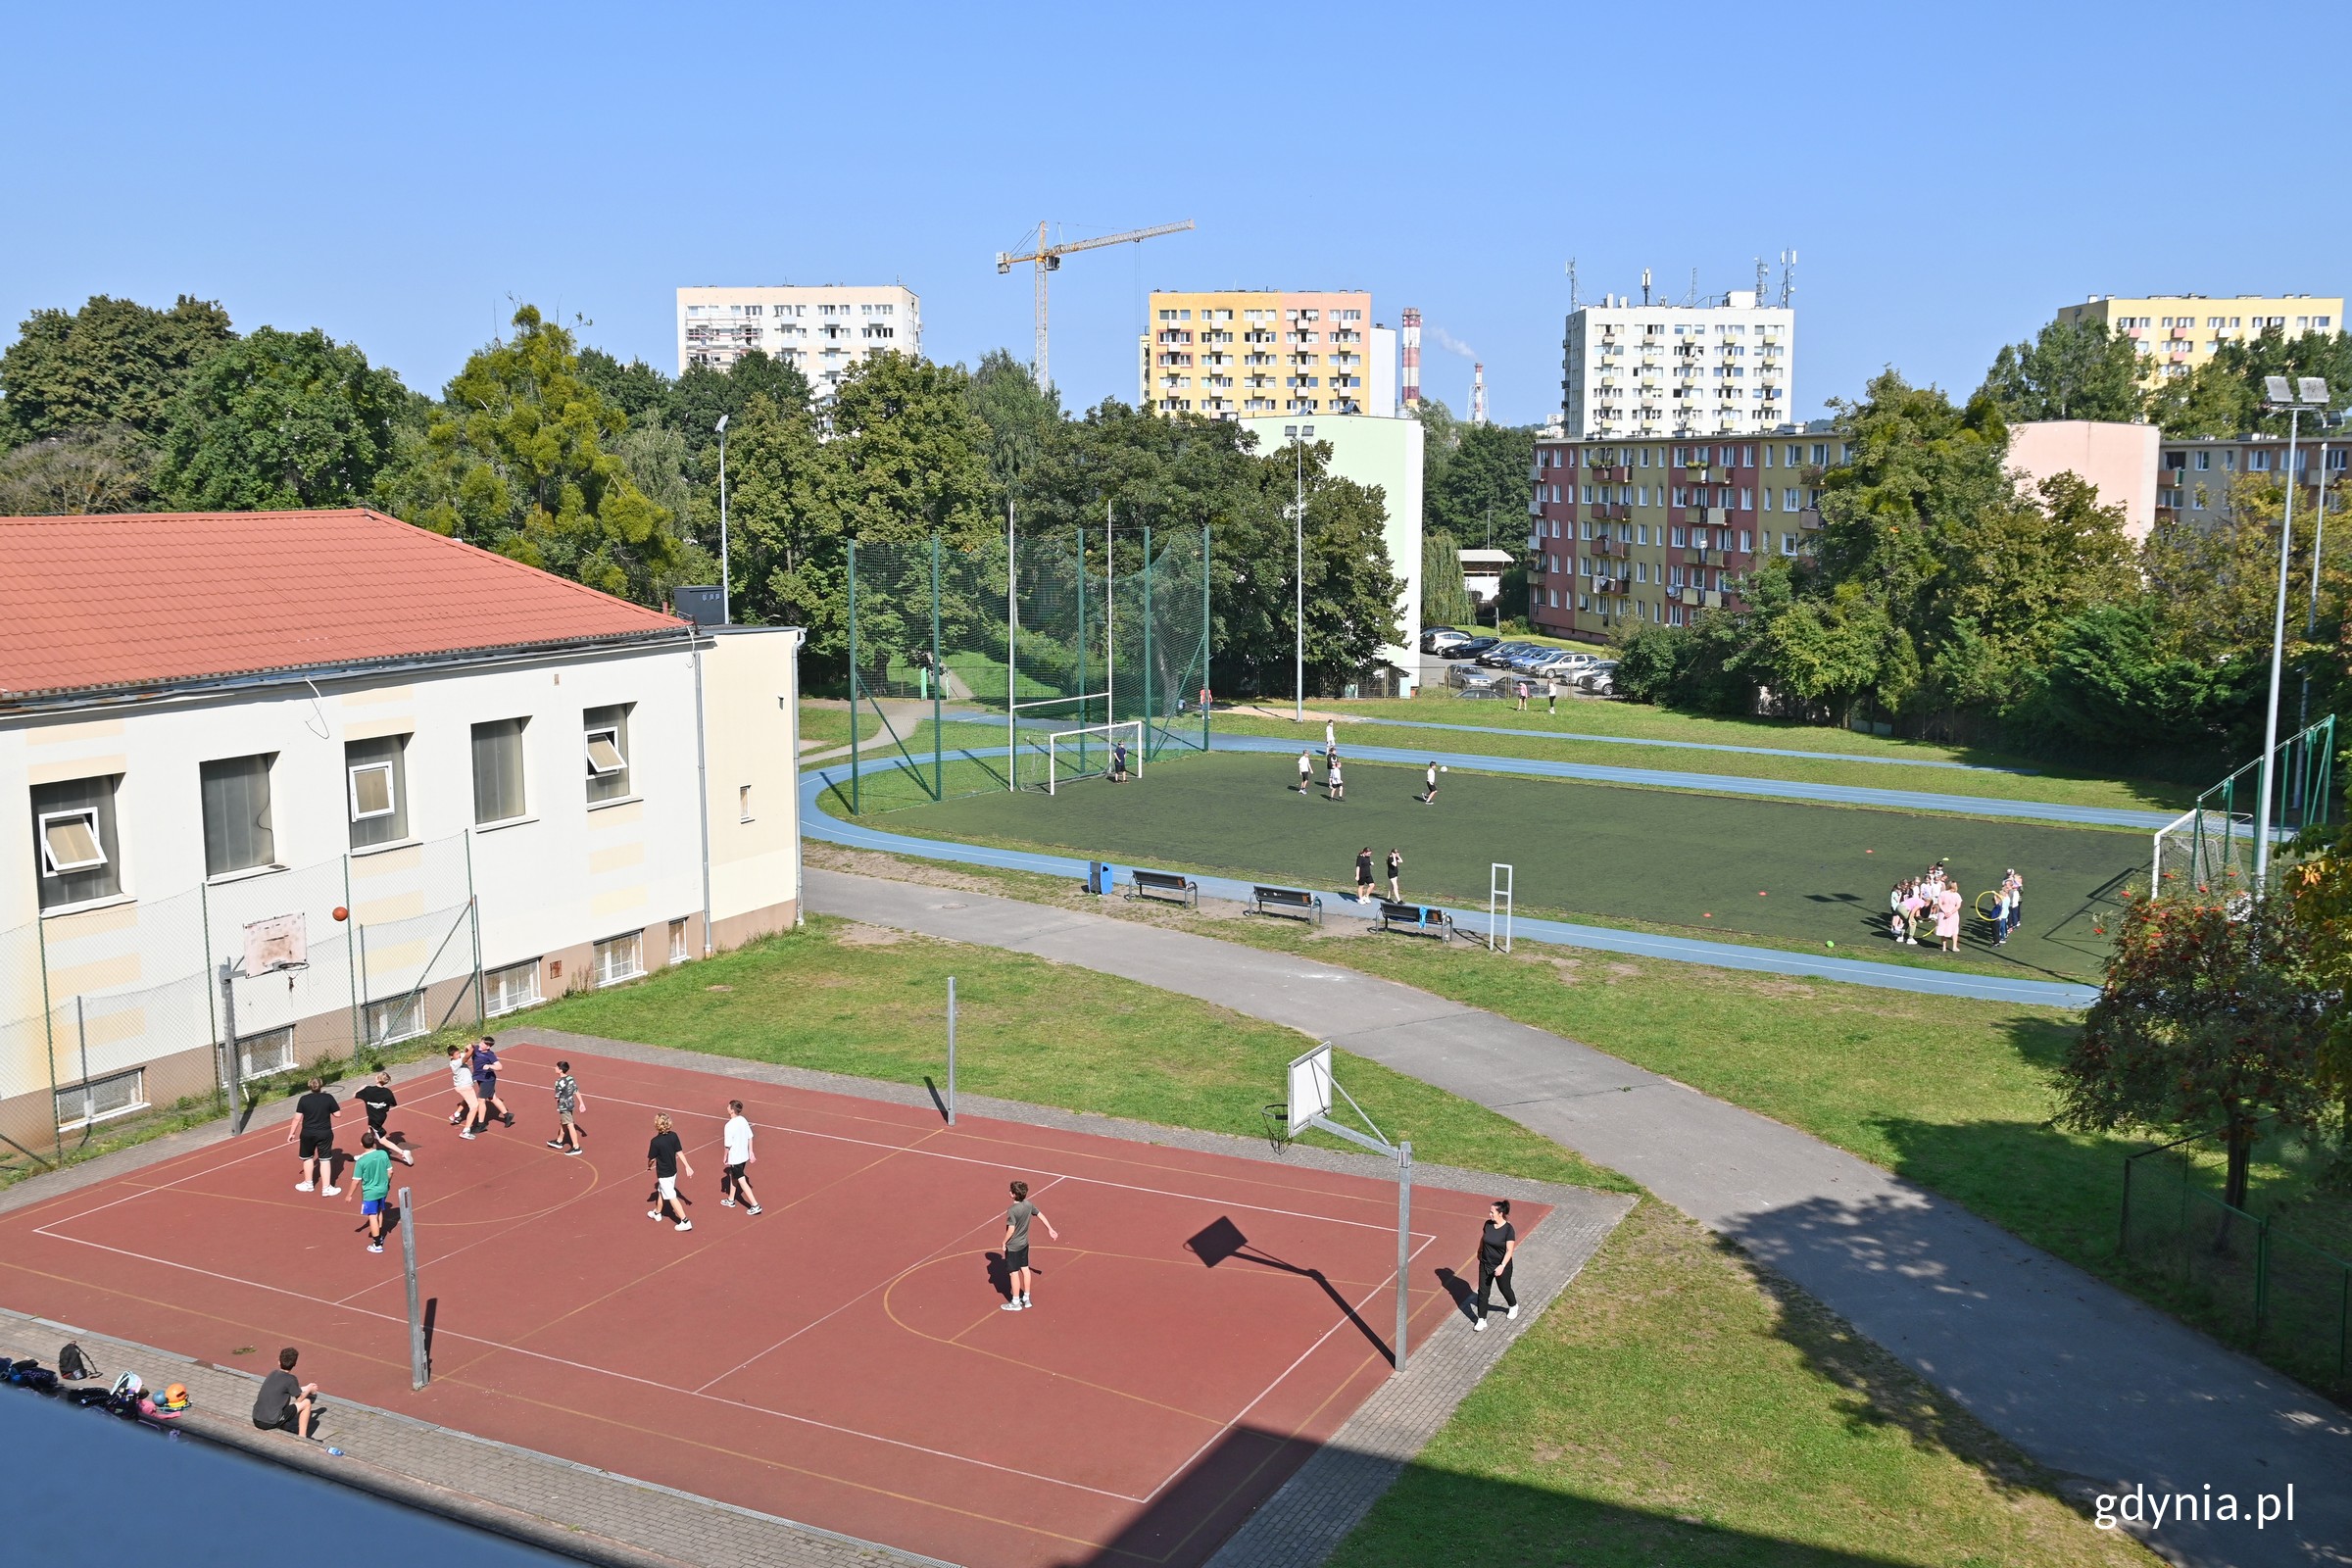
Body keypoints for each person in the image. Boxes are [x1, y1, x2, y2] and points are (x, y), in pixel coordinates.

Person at [1000, 1179, 1058, 1311]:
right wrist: (1050, 1228)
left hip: (1013, 1246)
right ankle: (1026, 1298)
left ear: (1014, 1194)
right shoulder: (1028, 1205)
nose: (1009, 1191)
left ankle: (1015, 1302)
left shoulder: (1012, 1210)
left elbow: (1011, 1229)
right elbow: (1040, 1214)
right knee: (1025, 1269)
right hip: (1024, 1244)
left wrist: (1004, 1242)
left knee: (1013, 1273)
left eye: (1010, 1190)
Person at [1471, 1199, 1519, 1331]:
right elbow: (1484, 1238)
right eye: (1490, 1212)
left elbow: (1510, 1250)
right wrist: (1479, 1250)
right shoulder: (1488, 1224)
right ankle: (1482, 1319)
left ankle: (1513, 1305)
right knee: (1483, 1292)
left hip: (1501, 1266)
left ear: (1501, 1213)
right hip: (1486, 1263)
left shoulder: (1508, 1229)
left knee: (1504, 1288)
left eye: (1492, 1212)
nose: (1490, 1215)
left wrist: (1502, 1265)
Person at [288, 1077, 340, 1196]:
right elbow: (338, 1114)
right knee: (325, 1159)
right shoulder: (328, 1098)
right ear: (321, 1085)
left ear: (309, 1086)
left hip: (307, 1133)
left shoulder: (303, 1099)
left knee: (307, 1157)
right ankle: (326, 1188)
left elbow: (297, 1118)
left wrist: (292, 1133)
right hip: (324, 1133)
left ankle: (308, 1183)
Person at [251, 1348, 318, 1439]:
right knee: (306, 1403)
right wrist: (309, 1389)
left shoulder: (273, 1373)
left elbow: (287, 1389)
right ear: (295, 1364)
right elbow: (299, 1399)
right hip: (269, 1422)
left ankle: (284, 1428)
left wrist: (305, 1388)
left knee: (283, 1397)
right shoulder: (291, 1379)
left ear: (279, 1361)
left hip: (256, 1418)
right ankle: (302, 1437)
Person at [345, 1130, 394, 1253]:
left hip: (370, 1192)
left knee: (372, 1216)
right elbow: (390, 1171)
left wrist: (349, 1195)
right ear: (374, 1143)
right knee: (379, 1211)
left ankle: (377, 1244)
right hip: (383, 1189)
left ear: (361, 1144)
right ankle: (380, 1234)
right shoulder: (383, 1154)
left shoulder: (361, 1161)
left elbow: (356, 1181)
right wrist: (386, 1182)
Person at [353, 1071, 415, 1165]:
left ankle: (403, 1152)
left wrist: (361, 1088)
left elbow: (354, 1095)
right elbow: (393, 1104)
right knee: (369, 1134)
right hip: (381, 1117)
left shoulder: (368, 1090)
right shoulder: (388, 1092)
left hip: (374, 1119)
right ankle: (365, 1154)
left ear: (377, 1079)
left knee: (382, 1140)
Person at [647, 1113, 694, 1232]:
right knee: (661, 1191)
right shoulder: (674, 1136)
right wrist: (687, 1166)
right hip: (673, 1171)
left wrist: (649, 1166)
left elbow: (651, 1159)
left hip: (664, 1174)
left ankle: (685, 1221)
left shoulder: (655, 1142)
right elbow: (679, 1152)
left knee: (672, 1196)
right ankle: (657, 1213)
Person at [718, 1100, 761, 1215]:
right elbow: (750, 1136)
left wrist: (725, 1156)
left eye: (728, 1107)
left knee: (741, 1180)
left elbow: (728, 1144)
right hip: (743, 1156)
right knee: (734, 1175)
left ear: (732, 1110)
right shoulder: (743, 1120)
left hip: (736, 1157)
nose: (727, 1108)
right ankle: (731, 1199)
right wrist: (750, 1152)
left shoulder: (729, 1126)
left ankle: (755, 1205)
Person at [470, 1037, 514, 1132]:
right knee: (492, 1098)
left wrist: (489, 1066)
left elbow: (500, 1067)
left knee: (481, 1100)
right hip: (480, 1078)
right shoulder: (477, 1048)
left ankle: (481, 1124)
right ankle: (507, 1115)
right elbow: (469, 1047)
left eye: (483, 1044)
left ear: (488, 1047)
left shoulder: (490, 1055)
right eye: (481, 1042)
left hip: (488, 1080)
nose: (480, 1044)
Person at [548, 1059, 586, 1152]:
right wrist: (581, 1102)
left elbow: (557, 1097)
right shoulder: (570, 1078)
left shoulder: (558, 1082)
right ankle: (559, 1141)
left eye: (556, 1067)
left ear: (560, 1070)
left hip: (564, 1106)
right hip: (571, 1104)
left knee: (570, 1125)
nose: (555, 1068)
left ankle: (576, 1147)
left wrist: (558, 1098)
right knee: (563, 1122)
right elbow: (576, 1090)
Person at [446, 1043, 481, 1134]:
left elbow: (465, 1054)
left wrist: (467, 1048)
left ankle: (455, 1115)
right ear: (451, 1056)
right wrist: (473, 1048)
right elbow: (466, 1058)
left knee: (466, 1100)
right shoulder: (455, 1063)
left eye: (458, 1053)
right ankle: (466, 1130)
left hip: (463, 1086)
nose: (458, 1055)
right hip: (464, 1087)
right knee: (474, 1106)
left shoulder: (458, 1057)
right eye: (456, 1054)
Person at [1935, 880, 1964, 954]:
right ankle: (1954, 947)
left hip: (1943, 914)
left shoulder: (1943, 893)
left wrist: (1944, 911)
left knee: (1943, 930)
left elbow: (1939, 903)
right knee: (1954, 931)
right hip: (1953, 915)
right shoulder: (1957, 895)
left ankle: (1944, 947)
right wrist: (1950, 912)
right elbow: (1958, 905)